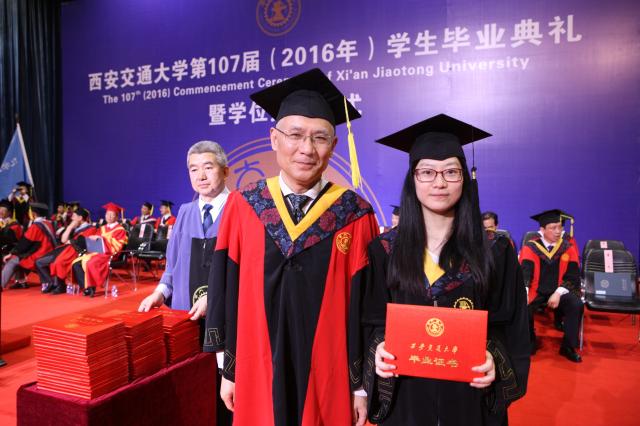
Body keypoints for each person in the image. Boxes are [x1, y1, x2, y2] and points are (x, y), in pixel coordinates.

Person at [204, 68, 378, 425]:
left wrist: (360, 385)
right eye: (295, 135)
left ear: (334, 145)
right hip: (255, 367)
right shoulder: (244, 206)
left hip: (328, 376)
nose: (306, 149)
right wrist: (228, 368)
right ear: (274, 138)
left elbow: (367, 306)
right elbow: (224, 288)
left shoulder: (355, 214)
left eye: (320, 138)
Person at [365, 114, 530, 425]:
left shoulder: (495, 250)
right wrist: (379, 350)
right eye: (427, 172)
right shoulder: (385, 250)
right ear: (413, 179)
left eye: (451, 172)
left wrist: (495, 360)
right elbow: (371, 322)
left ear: (465, 179)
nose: (439, 182)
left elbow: (513, 327)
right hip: (406, 398)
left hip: (471, 399)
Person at [138, 141, 231, 426]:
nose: (201, 176)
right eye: (193, 169)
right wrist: (160, 291)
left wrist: (216, 296)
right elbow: (174, 261)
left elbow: (248, 269)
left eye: (208, 167)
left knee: (224, 394)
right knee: (192, 388)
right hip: (186, 316)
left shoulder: (241, 210)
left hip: (226, 318)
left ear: (225, 171)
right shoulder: (186, 212)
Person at [519, 209, 583, 363]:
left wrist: (558, 293)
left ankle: (568, 346)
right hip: (536, 291)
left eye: (559, 227)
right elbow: (525, 272)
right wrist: (524, 292)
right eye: (553, 228)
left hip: (560, 291)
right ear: (542, 230)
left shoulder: (568, 247)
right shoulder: (531, 247)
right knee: (522, 305)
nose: (558, 231)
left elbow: (573, 275)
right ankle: (529, 341)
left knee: (576, 305)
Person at [72, 202, 128, 297]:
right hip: (97, 253)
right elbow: (96, 242)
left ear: (116, 217)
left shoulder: (120, 229)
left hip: (110, 254)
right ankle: (85, 287)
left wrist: (102, 239)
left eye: (112, 214)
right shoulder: (102, 228)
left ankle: (92, 287)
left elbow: (117, 246)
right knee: (76, 263)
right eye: (107, 214)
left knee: (90, 262)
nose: (109, 216)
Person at [36, 207, 97, 294]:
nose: (72, 218)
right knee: (39, 262)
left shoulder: (91, 228)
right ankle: (52, 283)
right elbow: (63, 240)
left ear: (80, 218)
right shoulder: (74, 228)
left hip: (76, 252)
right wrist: (70, 227)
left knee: (57, 262)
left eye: (74, 216)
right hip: (65, 250)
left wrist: (71, 241)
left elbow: (83, 243)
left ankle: (60, 285)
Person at [1, 203, 56, 289]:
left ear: (34, 213)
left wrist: (11, 253)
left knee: (12, 260)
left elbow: (25, 243)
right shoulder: (48, 223)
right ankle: (21, 282)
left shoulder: (36, 226)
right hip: (48, 251)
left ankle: (1, 284)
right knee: (18, 257)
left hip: (40, 253)